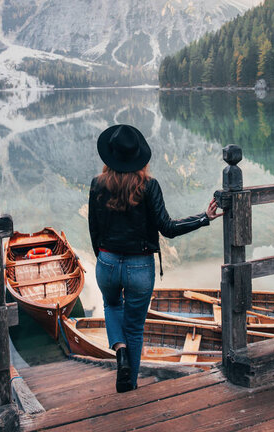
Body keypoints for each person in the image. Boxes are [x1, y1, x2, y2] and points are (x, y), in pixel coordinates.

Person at [88, 124, 219, 393]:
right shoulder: (149, 186)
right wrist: (204, 218)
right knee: (134, 328)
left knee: (111, 306)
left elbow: (94, 228)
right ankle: (128, 386)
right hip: (140, 266)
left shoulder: (97, 184)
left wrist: (102, 258)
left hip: (107, 261)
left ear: (110, 156)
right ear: (138, 156)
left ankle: (120, 350)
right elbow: (168, 228)